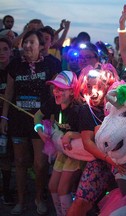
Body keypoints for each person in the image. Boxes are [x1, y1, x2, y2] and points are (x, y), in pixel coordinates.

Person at [0, 30, 61, 215]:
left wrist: (52, 120)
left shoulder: (52, 64)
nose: (27, 45)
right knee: (19, 161)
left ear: (41, 46)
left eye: (31, 42)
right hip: (18, 120)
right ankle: (20, 201)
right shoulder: (15, 64)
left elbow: (55, 94)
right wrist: (4, 117)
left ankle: (38, 198)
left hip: (40, 121)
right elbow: (9, 92)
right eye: (25, 42)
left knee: (40, 164)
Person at [66, 65, 120, 216]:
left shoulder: (117, 107)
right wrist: (110, 161)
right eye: (89, 87)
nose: (92, 92)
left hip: (123, 161)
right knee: (80, 203)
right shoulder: (86, 109)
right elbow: (88, 143)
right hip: (101, 162)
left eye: (97, 87)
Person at [34, 71, 85, 216]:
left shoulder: (78, 110)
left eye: (61, 89)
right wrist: (39, 129)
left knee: (63, 189)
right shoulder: (53, 102)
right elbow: (38, 116)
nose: (56, 91)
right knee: (52, 186)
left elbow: (87, 134)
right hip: (62, 151)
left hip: (76, 154)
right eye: (55, 87)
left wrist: (70, 134)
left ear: (71, 91)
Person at [0, 37, 14, 205]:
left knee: (7, 155)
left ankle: (7, 189)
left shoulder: (15, 70)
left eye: (5, 49)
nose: (1, 53)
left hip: (10, 118)